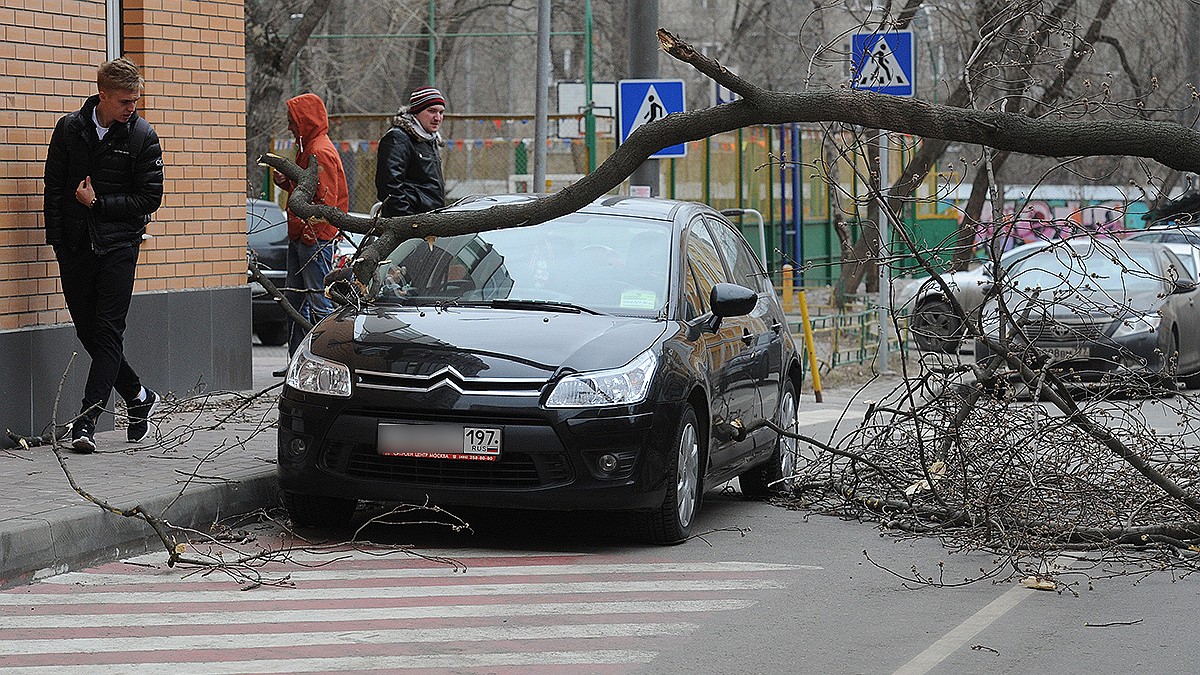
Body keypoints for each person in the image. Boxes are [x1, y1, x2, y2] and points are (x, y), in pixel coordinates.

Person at [43, 57, 164, 453]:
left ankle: (86, 421)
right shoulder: (70, 129)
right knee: (88, 331)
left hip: (119, 245)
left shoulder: (142, 136)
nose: (133, 108)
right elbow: (54, 189)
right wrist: (59, 242)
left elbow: (149, 199)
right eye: (126, 101)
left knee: (109, 331)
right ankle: (138, 395)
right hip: (75, 247)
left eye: (136, 101)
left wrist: (98, 205)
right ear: (103, 96)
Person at [271, 93, 349, 369]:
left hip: (314, 239)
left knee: (317, 301)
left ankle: (324, 361)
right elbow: (310, 193)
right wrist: (288, 181)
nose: (290, 127)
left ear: (304, 121)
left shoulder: (319, 151)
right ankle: (299, 362)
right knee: (295, 298)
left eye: (293, 121)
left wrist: (306, 234)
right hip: (304, 237)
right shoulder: (310, 148)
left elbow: (324, 203)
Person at [375, 86, 447, 218]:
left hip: (430, 218)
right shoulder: (398, 138)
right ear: (416, 112)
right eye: (432, 111)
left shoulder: (429, 139)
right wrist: (406, 222)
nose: (438, 117)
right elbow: (389, 186)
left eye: (441, 112)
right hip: (409, 223)